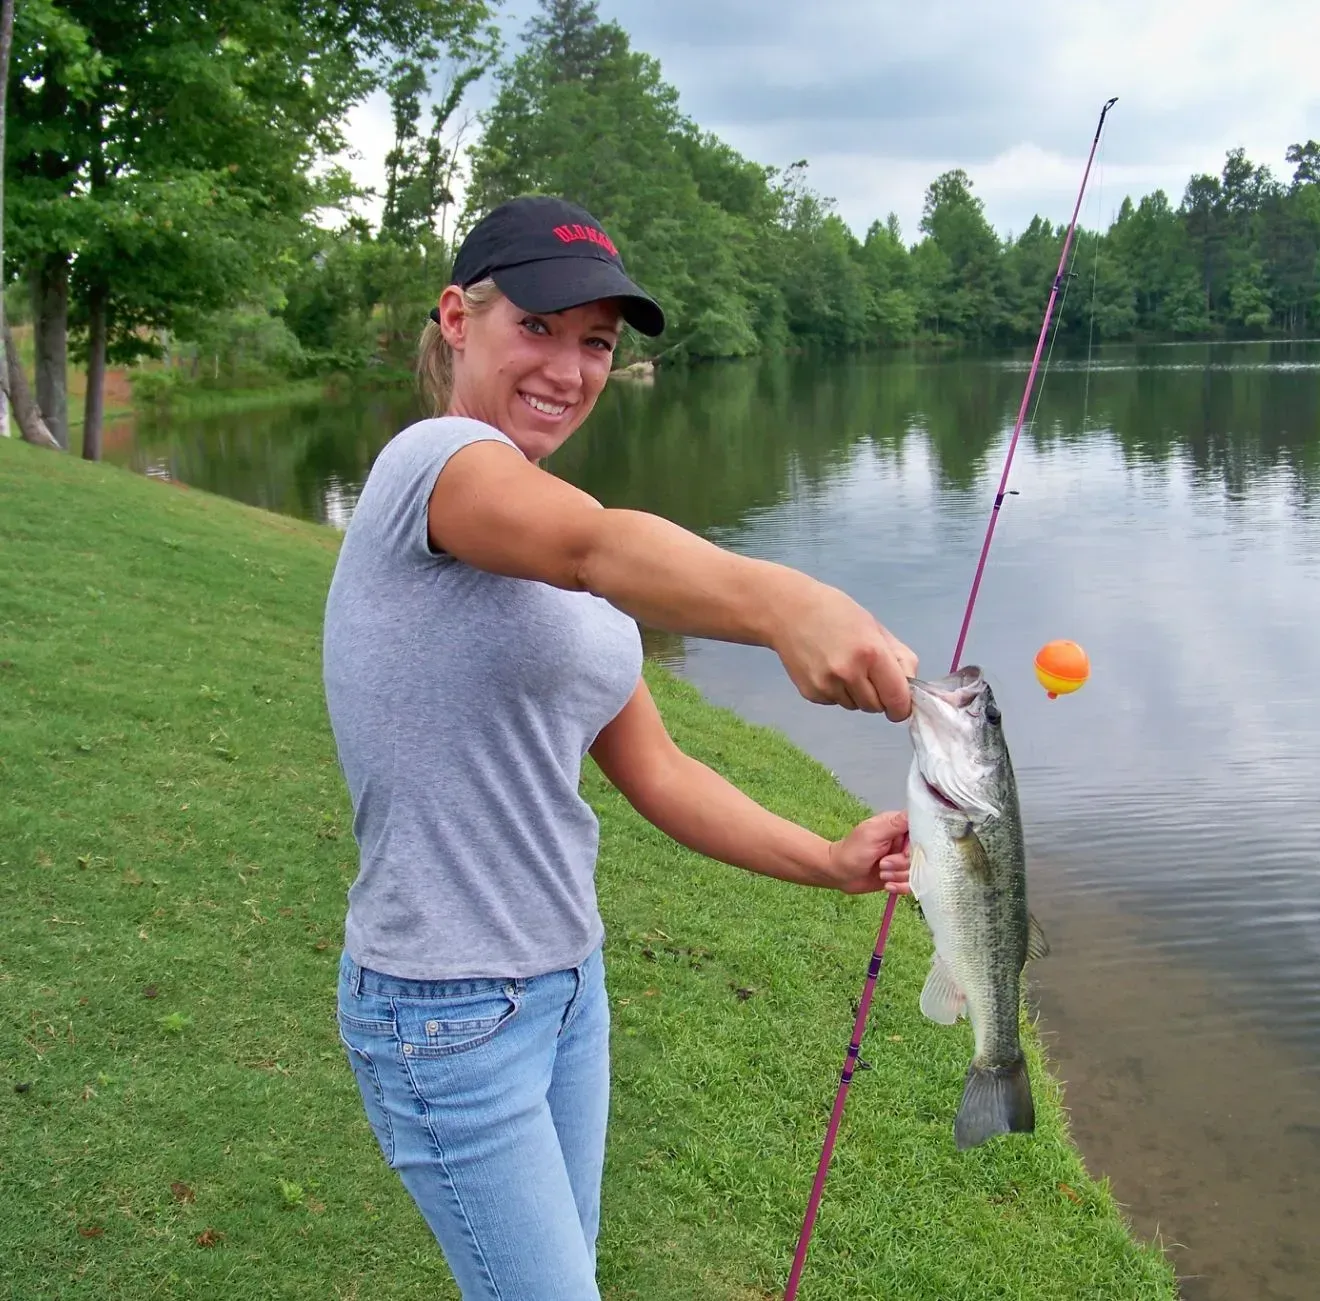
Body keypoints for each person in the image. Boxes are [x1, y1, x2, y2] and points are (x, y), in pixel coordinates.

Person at [322, 194, 918, 1300]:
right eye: (538, 327)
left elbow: (662, 770)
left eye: (595, 341)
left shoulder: (559, 546)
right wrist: (785, 600)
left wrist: (829, 858)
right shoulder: (436, 467)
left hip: (564, 986)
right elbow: (600, 546)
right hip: (444, 1006)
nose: (569, 366)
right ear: (458, 318)